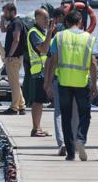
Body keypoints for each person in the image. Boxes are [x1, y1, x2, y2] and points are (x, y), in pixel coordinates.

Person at [44, 10, 97, 161]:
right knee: (85, 114)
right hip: (82, 82)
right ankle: (80, 139)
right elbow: (93, 63)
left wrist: (48, 83)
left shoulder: (59, 37)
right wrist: (93, 84)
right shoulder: (88, 38)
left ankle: (71, 153)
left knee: (65, 117)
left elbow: (53, 61)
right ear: (80, 22)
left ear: (66, 23)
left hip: (64, 82)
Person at [27, 9, 54, 137]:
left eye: (48, 18)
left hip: (44, 71)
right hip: (38, 72)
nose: (47, 21)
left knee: (41, 101)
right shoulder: (33, 32)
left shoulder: (42, 32)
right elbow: (43, 49)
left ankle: (38, 127)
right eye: (44, 18)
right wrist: (50, 33)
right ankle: (35, 129)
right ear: (37, 18)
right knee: (37, 101)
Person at [0, 3, 27, 115]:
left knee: (14, 84)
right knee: (15, 82)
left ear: (12, 12)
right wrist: (2, 19)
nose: (4, 14)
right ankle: (21, 105)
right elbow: (2, 30)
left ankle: (14, 108)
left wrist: (10, 55)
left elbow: (16, 39)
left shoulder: (16, 23)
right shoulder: (13, 23)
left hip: (14, 58)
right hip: (15, 57)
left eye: (6, 12)